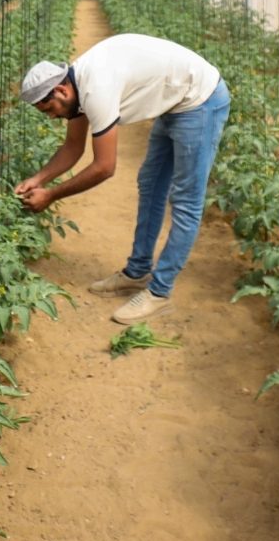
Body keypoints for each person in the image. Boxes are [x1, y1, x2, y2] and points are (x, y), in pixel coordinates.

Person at [15, 33, 231, 325]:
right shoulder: (75, 89)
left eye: (49, 109)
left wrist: (51, 195)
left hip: (199, 101)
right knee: (151, 184)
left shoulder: (95, 89)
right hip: (174, 102)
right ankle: (138, 271)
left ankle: (159, 292)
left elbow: (105, 167)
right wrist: (38, 178)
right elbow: (73, 147)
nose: (51, 116)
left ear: (61, 90)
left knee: (186, 201)